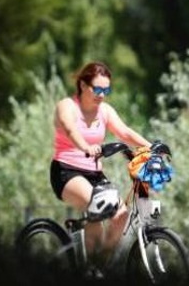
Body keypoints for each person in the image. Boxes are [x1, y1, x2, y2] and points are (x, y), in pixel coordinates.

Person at [51, 61, 152, 272]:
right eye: (98, 89)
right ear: (82, 86)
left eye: (106, 90)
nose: (102, 94)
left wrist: (151, 147)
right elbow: (70, 130)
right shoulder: (67, 106)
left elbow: (124, 132)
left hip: (94, 173)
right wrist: (85, 146)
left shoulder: (104, 111)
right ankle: (87, 271)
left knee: (121, 215)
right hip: (66, 171)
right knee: (97, 204)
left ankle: (98, 268)